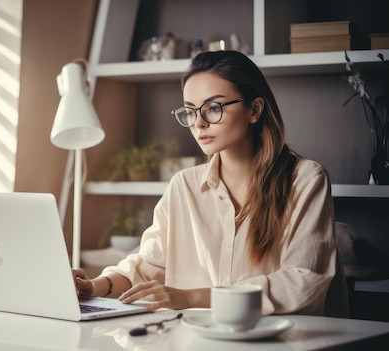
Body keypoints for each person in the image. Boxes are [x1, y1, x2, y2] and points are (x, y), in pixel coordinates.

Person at [73, 50, 348, 316]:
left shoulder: (306, 180)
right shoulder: (184, 185)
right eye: (191, 111)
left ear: (254, 109)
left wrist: (192, 297)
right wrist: (93, 286)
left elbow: (303, 282)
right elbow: (147, 265)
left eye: (213, 108)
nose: (199, 123)